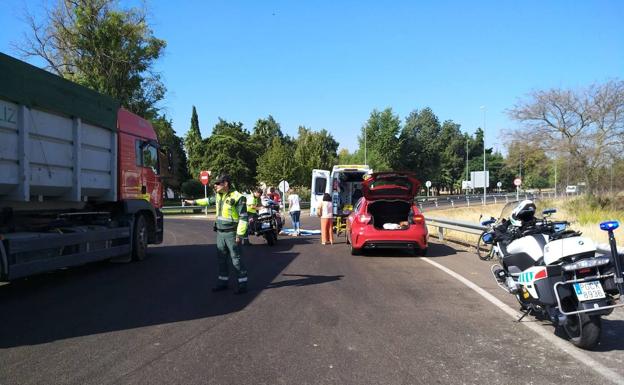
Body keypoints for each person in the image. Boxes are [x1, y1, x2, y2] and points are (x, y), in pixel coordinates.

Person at [185, 174, 249, 294]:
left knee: (236, 259)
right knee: (221, 259)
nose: (215, 185)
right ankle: (223, 282)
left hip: (232, 233)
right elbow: (207, 201)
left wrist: (239, 235)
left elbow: (243, 218)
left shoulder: (238, 197)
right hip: (220, 233)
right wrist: (193, 202)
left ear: (226, 184)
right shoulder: (219, 196)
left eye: (218, 183)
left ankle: (242, 284)